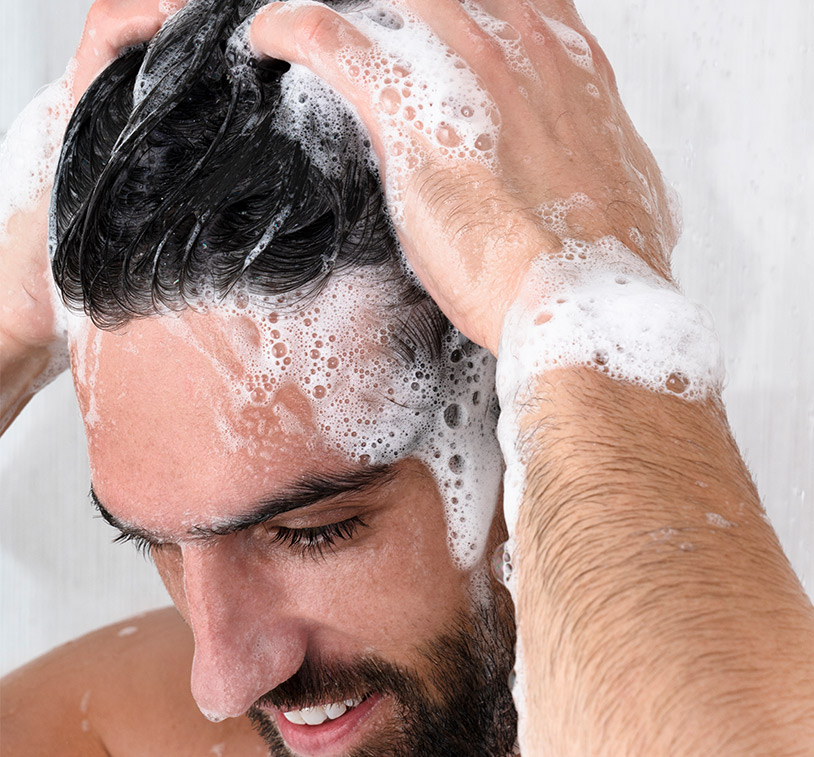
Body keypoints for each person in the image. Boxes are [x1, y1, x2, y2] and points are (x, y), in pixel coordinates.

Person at [1, 2, 813, 757]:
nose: (219, 682)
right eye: (156, 544)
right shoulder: (123, 730)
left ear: (512, 410)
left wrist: (586, 311)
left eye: (312, 529)